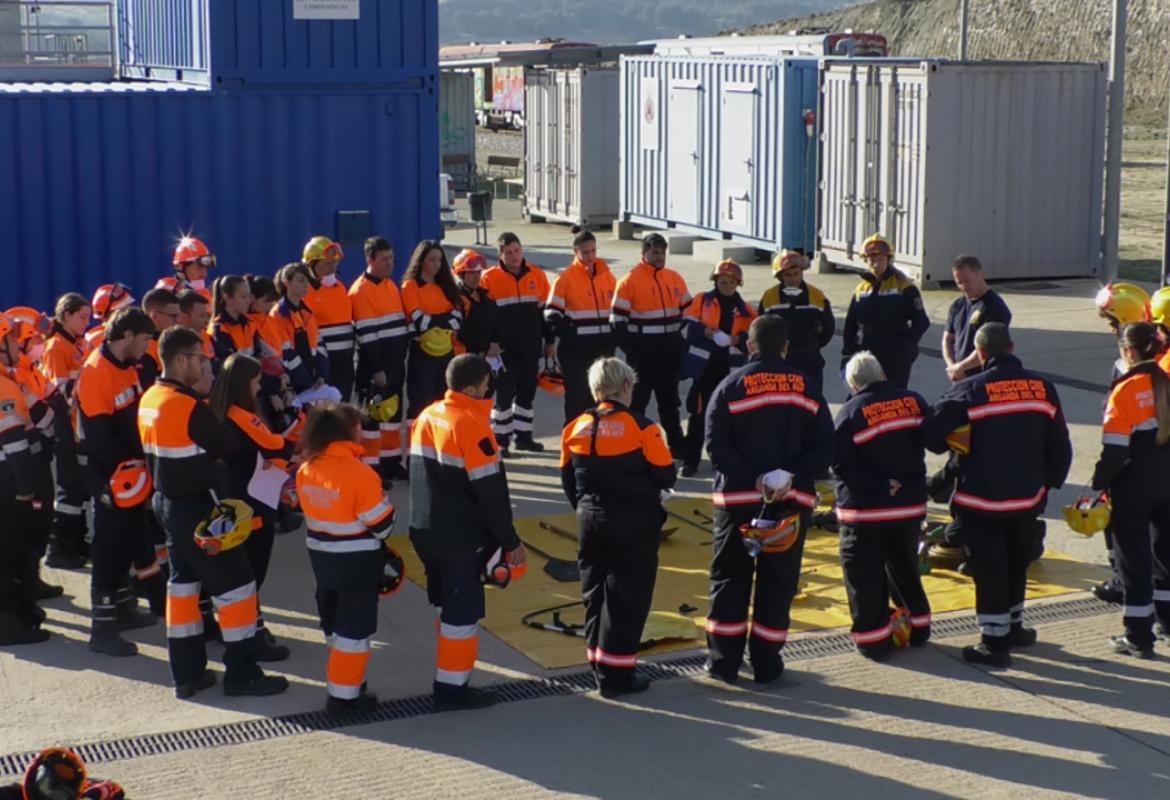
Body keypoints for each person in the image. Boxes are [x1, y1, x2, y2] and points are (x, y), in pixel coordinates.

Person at [138, 326, 289, 699]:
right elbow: (227, 443)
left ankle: (188, 674)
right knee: (238, 587)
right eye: (201, 360)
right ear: (181, 360)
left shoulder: (150, 398)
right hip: (199, 509)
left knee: (184, 590)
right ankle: (243, 673)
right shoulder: (187, 405)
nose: (206, 367)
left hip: (167, 504)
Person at [924, 323, 1072, 667]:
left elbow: (931, 434)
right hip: (1027, 498)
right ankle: (1015, 627)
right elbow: (1060, 446)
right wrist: (1047, 485)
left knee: (989, 569)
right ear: (1013, 347)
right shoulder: (1043, 388)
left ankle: (994, 642)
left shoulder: (969, 390)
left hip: (982, 500)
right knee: (1017, 562)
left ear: (982, 354)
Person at [704, 315, 833, 684]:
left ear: (750, 346)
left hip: (737, 501)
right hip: (790, 502)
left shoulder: (730, 386)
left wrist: (754, 478)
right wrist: (788, 475)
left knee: (730, 579)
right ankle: (766, 664)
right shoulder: (807, 388)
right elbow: (825, 445)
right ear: (786, 347)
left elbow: (715, 444)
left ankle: (723, 663)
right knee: (778, 583)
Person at [409, 354, 526, 710]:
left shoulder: (428, 415)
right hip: (460, 537)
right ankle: (451, 689)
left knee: (447, 608)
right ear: (473, 387)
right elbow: (489, 493)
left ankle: (450, 677)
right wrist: (510, 541)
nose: (489, 390)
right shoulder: (471, 425)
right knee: (462, 616)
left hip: (426, 531)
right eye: (487, 385)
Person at [560, 357, 676, 696]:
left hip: (589, 520)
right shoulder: (643, 427)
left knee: (593, 593)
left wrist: (585, 509)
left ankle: (598, 664)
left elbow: (568, 480)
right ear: (626, 386)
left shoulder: (575, 427)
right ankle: (617, 675)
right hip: (632, 524)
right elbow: (666, 474)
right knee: (627, 599)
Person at [297, 402, 397, 715]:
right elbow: (382, 526)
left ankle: (348, 682)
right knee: (354, 632)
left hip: (322, 560)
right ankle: (344, 697)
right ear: (349, 431)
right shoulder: (361, 474)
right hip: (357, 563)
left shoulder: (306, 469)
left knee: (335, 625)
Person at [833, 351, 932, 660]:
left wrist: (878, 486)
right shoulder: (913, 401)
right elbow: (935, 437)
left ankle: (874, 640)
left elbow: (839, 462)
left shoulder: (851, 412)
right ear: (883, 374)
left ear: (853, 384)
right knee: (904, 567)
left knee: (864, 574)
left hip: (866, 511)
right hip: (908, 508)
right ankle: (919, 627)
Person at [75, 307, 159, 656]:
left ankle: (123, 607)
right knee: (109, 547)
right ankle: (102, 628)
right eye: (143, 340)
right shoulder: (97, 372)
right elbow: (96, 438)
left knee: (129, 538)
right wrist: (126, 470)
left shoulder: (126, 367)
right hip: (111, 475)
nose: (146, 348)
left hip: (131, 471)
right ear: (126, 337)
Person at [1088, 322, 1170, 658]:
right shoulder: (1167, 382)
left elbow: (1115, 453)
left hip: (1133, 489)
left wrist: (1096, 484)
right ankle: (1167, 621)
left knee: (1133, 561)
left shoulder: (1124, 392)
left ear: (1129, 352)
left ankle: (1138, 637)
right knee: (1165, 555)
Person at [208, 352, 294, 663]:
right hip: (252, 506)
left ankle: (245, 628)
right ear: (245, 383)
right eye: (256, 381)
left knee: (239, 575)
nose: (259, 387)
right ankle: (251, 635)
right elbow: (276, 445)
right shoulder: (241, 416)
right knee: (251, 575)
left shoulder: (216, 411)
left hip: (231, 502)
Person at [1090, 282, 1151, 606]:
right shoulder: (1136, 359)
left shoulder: (1133, 368)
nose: (1111, 329)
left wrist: (1100, 480)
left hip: (1132, 462)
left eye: (1113, 322)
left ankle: (1126, 585)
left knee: (1130, 532)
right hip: (1145, 462)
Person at [609, 233, 691, 455]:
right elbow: (617, 323)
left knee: (670, 404)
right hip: (643, 356)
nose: (660, 257)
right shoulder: (628, 282)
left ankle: (676, 445)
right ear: (643, 253)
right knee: (637, 404)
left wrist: (680, 343)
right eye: (655, 252)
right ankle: (634, 446)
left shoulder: (674, 278)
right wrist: (633, 351)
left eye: (663, 252)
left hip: (670, 353)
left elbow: (689, 312)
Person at [0, 312, 52, 645]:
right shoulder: (3, 385)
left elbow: (44, 416)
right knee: (6, 551)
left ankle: (19, 610)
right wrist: (26, 486)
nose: (18, 343)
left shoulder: (10, 378)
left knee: (14, 549)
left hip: (9, 474)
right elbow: (14, 438)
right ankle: (5, 623)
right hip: (8, 477)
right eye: (11, 339)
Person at [679, 260, 756, 477]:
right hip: (704, 370)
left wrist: (735, 339)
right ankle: (690, 460)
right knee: (698, 415)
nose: (727, 286)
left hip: (730, 372)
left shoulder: (747, 310)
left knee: (729, 419)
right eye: (723, 281)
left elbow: (753, 337)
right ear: (715, 280)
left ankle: (722, 461)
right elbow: (686, 326)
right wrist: (707, 332)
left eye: (732, 282)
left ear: (738, 283)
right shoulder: (702, 301)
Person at [481, 232, 553, 454]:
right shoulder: (489, 279)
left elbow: (545, 313)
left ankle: (524, 437)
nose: (514, 256)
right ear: (500, 254)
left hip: (531, 345)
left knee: (527, 392)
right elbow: (485, 317)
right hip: (503, 349)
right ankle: (500, 440)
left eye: (517, 251)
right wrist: (489, 345)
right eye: (508, 252)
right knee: (503, 394)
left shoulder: (537, 275)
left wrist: (549, 342)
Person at [349, 236, 410, 483]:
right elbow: (367, 335)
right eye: (384, 259)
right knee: (373, 418)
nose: (390, 263)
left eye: (392, 258)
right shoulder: (361, 290)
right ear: (370, 259)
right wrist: (377, 370)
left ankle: (391, 461)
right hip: (376, 366)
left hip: (395, 362)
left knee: (393, 416)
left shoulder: (390, 285)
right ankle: (371, 468)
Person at [40, 293, 93, 569]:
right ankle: (59, 546)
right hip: (65, 428)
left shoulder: (76, 345)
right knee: (69, 489)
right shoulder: (56, 348)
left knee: (80, 489)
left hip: (77, 427)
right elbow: (57, 393)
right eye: (82, 317)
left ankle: (74, 540)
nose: (87, 322)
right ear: (66, 315)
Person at [545, 228, 617, 424]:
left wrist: (614, 338)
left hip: (603, 349)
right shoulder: (565, 278)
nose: (590, 256)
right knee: (577, 402)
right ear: (575, 252)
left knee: (602, 401)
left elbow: (616, 311)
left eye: (593, 250)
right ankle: (574, 447)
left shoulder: (607, 276)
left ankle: (598, 443)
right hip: (576, 352)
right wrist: (570, 335)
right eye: (585, 252)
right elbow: (551, 313)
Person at [841, 234, 930, 389]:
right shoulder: (861, 289)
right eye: (871, 260)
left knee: (894, 396)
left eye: (880, 260)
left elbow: (921, 321)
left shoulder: (904, 286)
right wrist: (848, 351)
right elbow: (851, 323)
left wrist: (907, 348)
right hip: (866, 355)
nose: (875, 265)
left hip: (895, 356)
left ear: (889, 259)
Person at [401, 240, 463, 426]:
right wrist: (444, 319)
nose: (436, 264)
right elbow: (419, 321)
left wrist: (434, 321)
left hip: (446, 353)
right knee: (420, 403)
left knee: (444, 401)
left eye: (439, 260)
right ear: (421, 261)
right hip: (422, 355)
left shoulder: (446, 286)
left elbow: (457, 319)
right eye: (431, 260)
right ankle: (416, 449)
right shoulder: (410, 286)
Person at [758, 250, 835, 396]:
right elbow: (761, 329)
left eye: (796, 274)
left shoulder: (817, 296)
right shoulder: (769, 297)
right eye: (787, 275)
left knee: (812, 402)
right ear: (779, 276)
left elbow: (828, 328)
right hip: (779, 361)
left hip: (809, 361)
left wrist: (812, 345)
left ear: (802, 272)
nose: (793, 279)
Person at [263, 263, 337, 403]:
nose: (306, 285)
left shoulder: (307, 313)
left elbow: (319, 346)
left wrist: (321, 375)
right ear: (287, 282)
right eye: (301, 280)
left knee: (334, 396)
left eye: (307, 281)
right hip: (293, 385)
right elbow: (284, 353)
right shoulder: (278, 314)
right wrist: (307, 381)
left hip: (311, 382)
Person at [943, 255, 1012, 383]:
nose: (964, 287)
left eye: (967, 281)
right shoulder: (957, 306)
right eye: (959, 282)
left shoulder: (994, 307)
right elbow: (947, 339)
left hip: (983, 379)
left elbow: (988, 347)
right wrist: (952, 367)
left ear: (981, 275)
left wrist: (961, 367)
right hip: (959, 377)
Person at [303, 236, 355, 402]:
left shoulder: (339, 287)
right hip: (323, 365)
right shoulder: (306, 292)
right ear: (312, 265)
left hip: (345, 361)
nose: (332, 268)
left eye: (335, 262)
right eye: (327, 263)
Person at [452, 249, 501, 360]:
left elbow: (497, 320)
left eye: (479, 272)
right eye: (472, 272)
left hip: (490, 356)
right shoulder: (457, 299)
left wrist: (496, 342)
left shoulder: (487, 295)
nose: (476, 276)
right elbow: (461, 331)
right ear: (461, 274)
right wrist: (486, 347)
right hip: (466, 358)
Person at [139, 288, 182, 388]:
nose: (179, 320)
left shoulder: (168, 339)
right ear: (155, 316)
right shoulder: (144, 350)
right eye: (174, 316)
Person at [84, 283, 135, 355]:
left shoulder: (93, 335)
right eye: (125, 308)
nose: (130, 311)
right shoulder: (98, 339)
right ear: (114, 313)